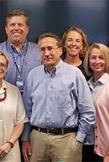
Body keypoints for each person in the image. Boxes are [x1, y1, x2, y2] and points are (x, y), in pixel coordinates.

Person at [21, 33, 95, 162]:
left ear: (60, 50)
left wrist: (78, 140)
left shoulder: (74, 74)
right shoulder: (33, 75)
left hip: (66, 140)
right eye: (42, 49)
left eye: (50, 48)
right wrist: (25, 139)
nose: (46, 53)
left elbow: (88, 112)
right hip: (37, 140)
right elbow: (27, 111)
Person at [0, 9, 41, 92]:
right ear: (6, 29)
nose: (16, 28)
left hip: (33, 103)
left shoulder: (40, 51)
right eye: (12, 25)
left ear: (27, 29)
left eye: (20, 25)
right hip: (2, 102)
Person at [83, 43, 109, 162]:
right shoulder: (85, 85)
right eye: (93, 57)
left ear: (107, 60)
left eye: (101, 57)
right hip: (85, 144)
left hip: (104, 148)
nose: (97, 61)